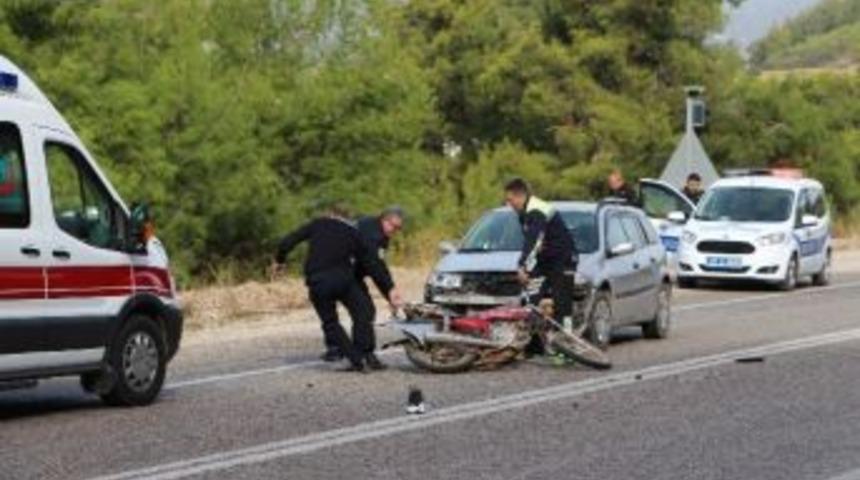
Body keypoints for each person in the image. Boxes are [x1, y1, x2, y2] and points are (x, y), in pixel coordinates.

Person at [274, 204, 395, 372]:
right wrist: (390, 288)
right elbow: (372, 263)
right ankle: (366, 354)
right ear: (347, 218)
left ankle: (356, 359)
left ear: (329, 214)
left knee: (330, 323)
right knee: (363, 312)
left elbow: (287, 242)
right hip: (345, 281)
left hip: (318, 282)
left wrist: (280, 261)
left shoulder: (317, 224)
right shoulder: (353, 232)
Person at [320, 206, 405, 366]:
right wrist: (390, 291)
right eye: (393, 226)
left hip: (350, 273)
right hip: (334, 272)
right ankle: (350, 351)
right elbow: (374, 266)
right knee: (360, 310)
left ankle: (360, 352)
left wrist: (389, 292)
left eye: (398, 228)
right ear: (384, 219)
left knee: (365, 311)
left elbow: (379, 265)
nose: (395, 231)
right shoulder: (371, 233)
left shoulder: (381, 233)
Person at [503, 178, 577, 351]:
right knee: (531, 299)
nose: (509, 204)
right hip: (545, 260)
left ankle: (566, 348)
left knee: (562, 305)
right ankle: (535, 345)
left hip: (563, 259)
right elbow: (535, 244)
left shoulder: (536, 211)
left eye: (510, 199)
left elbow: (533, 241)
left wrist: (523, 267)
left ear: (519, 196)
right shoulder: (524, 213)